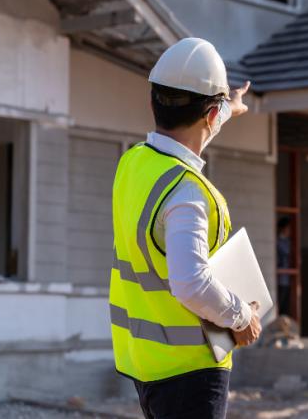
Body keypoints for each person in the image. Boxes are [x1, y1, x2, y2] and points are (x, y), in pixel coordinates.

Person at [109, 38, 262, 419]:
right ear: (210, 115)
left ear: (152, 102)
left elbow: (194, 128)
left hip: (146, 363)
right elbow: (190, 282)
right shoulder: (186, 192)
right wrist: (241, 317)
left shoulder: (133, 164)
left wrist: (228, 107)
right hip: (190, 371)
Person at [276, 217, 292, 315]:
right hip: (281, 279)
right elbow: (286, 252)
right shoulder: (278, 241)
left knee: (286, 307)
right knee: (280, 306)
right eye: (288, 228)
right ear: (283, 228)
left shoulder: (288, 241)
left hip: (288, 279)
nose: (289, 231)